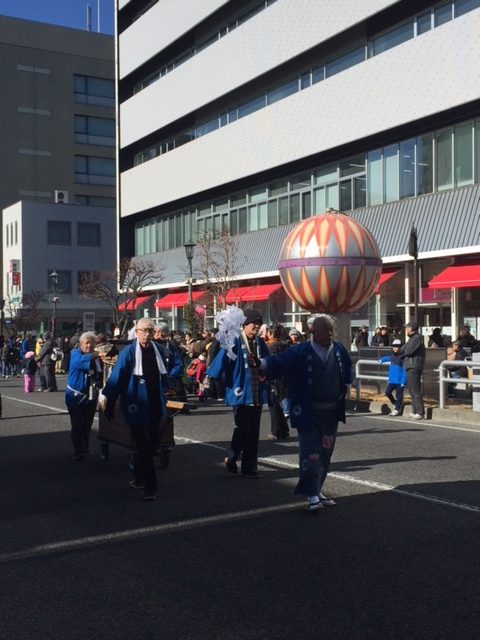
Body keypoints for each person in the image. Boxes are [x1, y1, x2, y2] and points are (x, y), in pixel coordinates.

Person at [259, 315, 352, 511]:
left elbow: (347, 373)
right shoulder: (301, 351)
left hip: (330, 411)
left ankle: (317, 489)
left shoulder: (338, 350)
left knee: (325, 452)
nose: (329, 334)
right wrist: (262, 364)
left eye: (331, 330)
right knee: (311, 453)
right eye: (325, 331)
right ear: (313, 332)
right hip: (308, 410)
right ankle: (311, 494)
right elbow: (280, 362)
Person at [101, 318, 168, 501]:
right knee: (144, 446)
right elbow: (116, 379)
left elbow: (164, 374)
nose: (147, 334)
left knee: (150, 446)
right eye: (143, 330)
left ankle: (139, 478)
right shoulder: (128, 353)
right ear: (136, 332)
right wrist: (110, 403)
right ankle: (151, 486)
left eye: (150, 331)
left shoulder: (159, 350)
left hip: (154, 403)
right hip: (136, 404)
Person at [207, 309, 270, 478]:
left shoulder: (260, 343)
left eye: (259, 325)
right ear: (245, 324)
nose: (256, 327)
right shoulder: (234, 340)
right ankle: (232, 456)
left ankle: (249, 468)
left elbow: (268, 361)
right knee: (244, 429)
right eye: (253, 324)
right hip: (240, 391)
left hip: (256, 392)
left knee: (254, 432)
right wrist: (212, 376)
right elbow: (222, 359)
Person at [65, 332, 103, 461]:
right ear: (81, 344)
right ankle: (79, 450)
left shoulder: (95, 358)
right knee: (78, 424)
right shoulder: (76, 353)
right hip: (75, 396)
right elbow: (79, 362)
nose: (89, 345)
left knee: (87, 424)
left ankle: (84, 448)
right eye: (87, 343)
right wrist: (96, 354)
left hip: (91, 396)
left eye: (92, 343)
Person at [266, 324, 290, 440]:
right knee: (279, 402)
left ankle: (276, 431)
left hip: (273, 378)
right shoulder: (286, 346)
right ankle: (284, 430)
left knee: (273, 405)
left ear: (271, 333)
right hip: (285, 377)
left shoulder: (269, 347)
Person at [402, 320, 425, 420]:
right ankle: (414, 410)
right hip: (409, 365)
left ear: (411, 328)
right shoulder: (411, 338)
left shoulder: (417, 338)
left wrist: (404, 350)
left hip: (414, 365)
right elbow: (403, 349)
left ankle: (420, 412)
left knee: (415, 390)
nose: (406, 329)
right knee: (411, 390)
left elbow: (407, 350)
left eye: (407, 327)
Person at [378, 339, 407, 415]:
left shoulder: (403, 357)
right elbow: (388, 358)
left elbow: (404, 370)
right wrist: (381, 360)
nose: (395, 348)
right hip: (392, 380)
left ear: (400, 347)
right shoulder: (393, 355)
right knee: (387, 392)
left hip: (399, 381)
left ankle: (397, 409)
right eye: (394, 346)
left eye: (397, 346)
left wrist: (403, 381)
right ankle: (395, 403)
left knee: (399, 396)